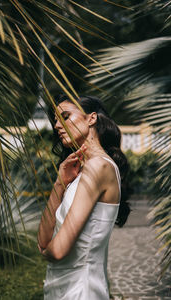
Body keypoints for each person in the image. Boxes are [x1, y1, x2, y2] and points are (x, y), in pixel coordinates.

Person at [37, 95, 130, 300]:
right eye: (55, 120)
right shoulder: (80, 171)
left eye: (65, 116)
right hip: (59, 285)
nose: (57, 125)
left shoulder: (99, 166)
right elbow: (43, 239)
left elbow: (57, 250)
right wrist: (60, 182)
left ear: (91, 118)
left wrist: (46, 252)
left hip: (81, 289)